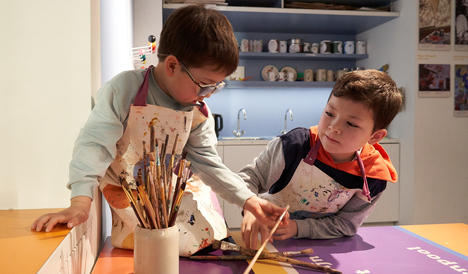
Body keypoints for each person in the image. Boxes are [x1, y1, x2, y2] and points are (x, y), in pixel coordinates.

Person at [31, 4, 285, 249]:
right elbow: (94, 146)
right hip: (130, 196)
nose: (208, 95)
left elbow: (208, 164)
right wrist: (79, 203)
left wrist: (249, 200)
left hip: (173, 196)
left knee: (209, 245)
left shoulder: (197, 111)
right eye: (205, 84)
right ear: (173, 65)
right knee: (151, 248)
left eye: (216, 87)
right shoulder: (124, 90)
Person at [239, 69, 402, 249]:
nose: (333, 127)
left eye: (351, 123)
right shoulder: (294, 146)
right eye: (330, 114)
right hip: (265, 239)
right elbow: (249, 177)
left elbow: (346, 224)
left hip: (323, 248)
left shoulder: (373, 176)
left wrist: (297, 228)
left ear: (375, 136)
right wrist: (250, 206)